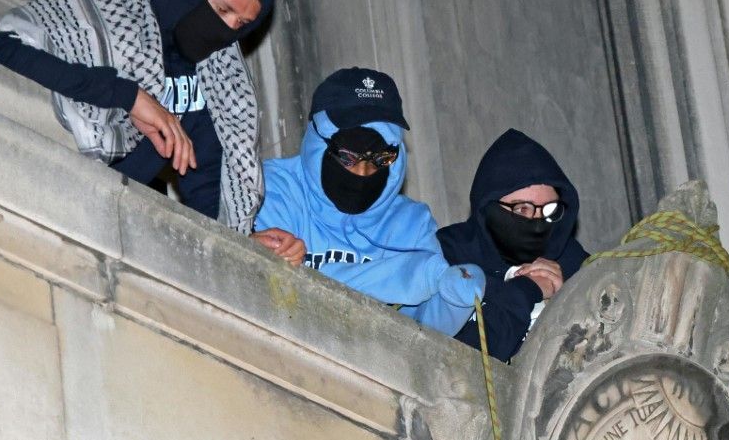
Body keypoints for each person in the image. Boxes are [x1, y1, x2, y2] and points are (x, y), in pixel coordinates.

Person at [0, 0, 274, 229]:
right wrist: (129, 96)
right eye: (222, 10)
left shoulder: (213, 80)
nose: (227, 29)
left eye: (241, 24)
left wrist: (244, 241)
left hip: (102, 222)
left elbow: (207, 187)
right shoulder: (99, 3)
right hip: (28, 188)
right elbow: (0, 49)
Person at [250, 67, 482, 334]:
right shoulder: (271, 188)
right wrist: (414, 275)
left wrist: (453, 302)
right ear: (318, 141)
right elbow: (284, 297)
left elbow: (421, 333)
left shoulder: (411, 223)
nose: (363, 174)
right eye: (348, 158)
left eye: (380, 161)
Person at [436, 129, 588, 361]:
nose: (536, 222)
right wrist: (527, 289)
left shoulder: (574, 263)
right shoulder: (447, 256)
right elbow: (454, 359)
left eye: (549, 211)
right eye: (521, 209)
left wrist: (568, 298)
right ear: (488, 206)